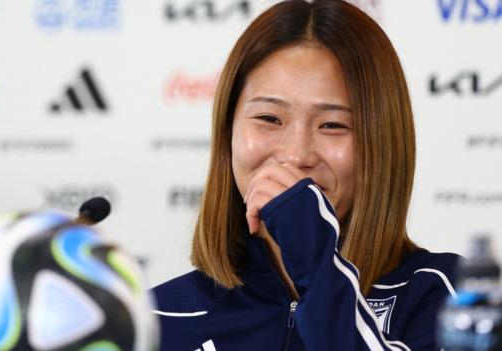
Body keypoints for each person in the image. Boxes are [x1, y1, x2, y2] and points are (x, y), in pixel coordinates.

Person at [152, 0, 459, 350]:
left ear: (383, 144)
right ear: (227, 133)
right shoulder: (155, 318)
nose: (297, 155)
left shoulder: (449, 298)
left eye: (333, 125)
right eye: (269, 118)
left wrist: (316, 262)